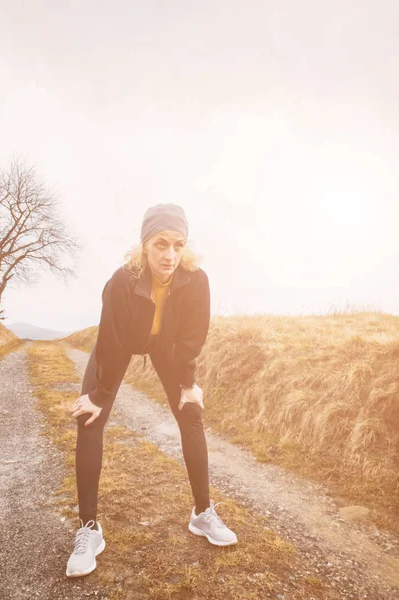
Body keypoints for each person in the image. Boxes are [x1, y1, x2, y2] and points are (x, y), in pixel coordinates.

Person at [66, 203, 237, 578]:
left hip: (165, 347)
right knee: (89, 418)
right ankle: (89, 529)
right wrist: (99, 394)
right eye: (161, 244)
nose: (170, 255)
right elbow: (110, 339)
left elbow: (192, 337)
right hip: (119, 344)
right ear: (144, 245)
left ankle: (202, 514)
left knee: (191, 413)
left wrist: (188, 383)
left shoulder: (196, 279)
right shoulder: (122, 280)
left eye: (178, 244)